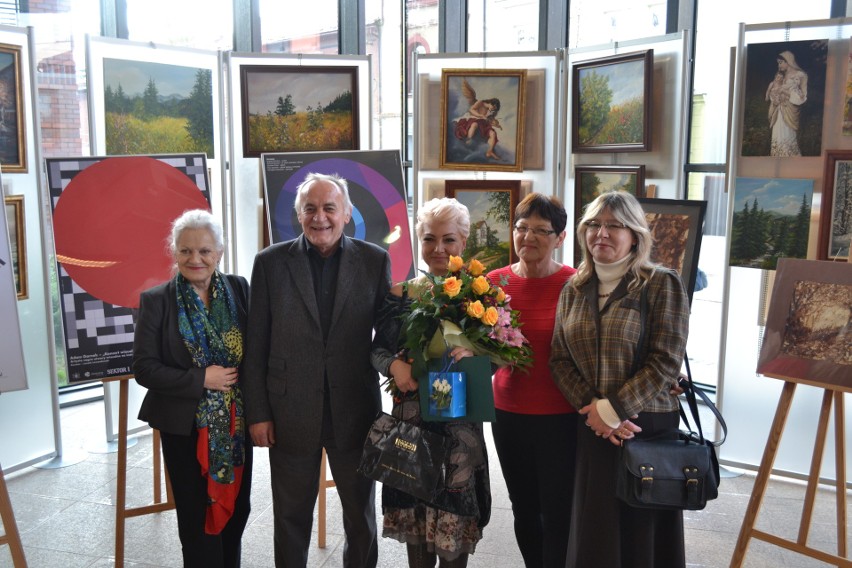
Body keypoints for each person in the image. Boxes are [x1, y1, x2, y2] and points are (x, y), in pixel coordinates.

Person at [241, 172, 391, 568]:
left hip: (355, 413)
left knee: (360, 517)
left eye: (329, 208)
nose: (319, 217)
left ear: (346, 214)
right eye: (310, 208)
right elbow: (255, 345)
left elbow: (388, 332)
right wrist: (257, 413)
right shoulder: (270, 263)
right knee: (290, 518)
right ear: (298, 214)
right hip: (289, 414)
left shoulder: (374, 260)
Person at [550, 190, 690, 568]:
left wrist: (615, 409)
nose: (602, 233)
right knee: (595, 529)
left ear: (635, 235)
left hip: (644, 426)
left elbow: (665, 359)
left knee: (640, 532)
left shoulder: (660, 283)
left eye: (615, 225)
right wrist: (596, 410)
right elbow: (560, 360)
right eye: (594, 224)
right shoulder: (574, 289)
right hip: (594, 426)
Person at [370, 197, 490, 567]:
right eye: (429, 238)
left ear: (463, 243)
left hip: (459, 430)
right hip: (411, 424)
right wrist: (393, 366)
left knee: (454, 545)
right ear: (418, 241)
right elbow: (374, 350)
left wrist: (479, 359)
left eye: (448, 239)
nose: (438, 248)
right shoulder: (398, 296)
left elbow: (502, 360)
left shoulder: (482, 297)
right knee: (417, 543)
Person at [133, 209, 253, 568]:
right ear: (174, 252)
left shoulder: (239, 288)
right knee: (196, 515)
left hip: (236, 423)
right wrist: (201, 379)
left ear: (219, 252)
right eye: (185, 251)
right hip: (183, 427)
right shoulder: (157, 301)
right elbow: (144, 368)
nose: (195, 259)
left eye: (204, 250)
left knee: (237, 508)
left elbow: (257, 350)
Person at [485, 193, 577, 568]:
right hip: (509, 414)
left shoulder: (576, 284)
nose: (529, 237)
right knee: (524, 508)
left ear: (561, 237)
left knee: (559, 511)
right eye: (522, 228)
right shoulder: (492, 283)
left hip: (563, 415)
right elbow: (481, 351)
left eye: (541, 230)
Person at [765, 50, 807, 157]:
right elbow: (774, 89)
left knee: (788, 137)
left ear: (788, 61)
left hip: (790, 110)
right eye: (778, 63)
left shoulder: (800, 75)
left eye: (780, 62)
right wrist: (773, 98)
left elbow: (802, 97)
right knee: (777, 136)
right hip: (779, 110)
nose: (779, 65)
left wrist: (785, 92)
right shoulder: (781, 76)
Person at [453, 78, 503, 160]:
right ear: (491, 103)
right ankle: (469, 139)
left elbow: (489, 120)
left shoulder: (490, 112)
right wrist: (480, 116)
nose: (493, 109)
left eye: (494, 109)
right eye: (493, 107)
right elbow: (471, 110)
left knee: (493, 134)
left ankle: (489, 151)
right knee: (474, 124)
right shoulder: (480, 102)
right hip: (473, 119)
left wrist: (497, 125)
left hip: (483, 123)